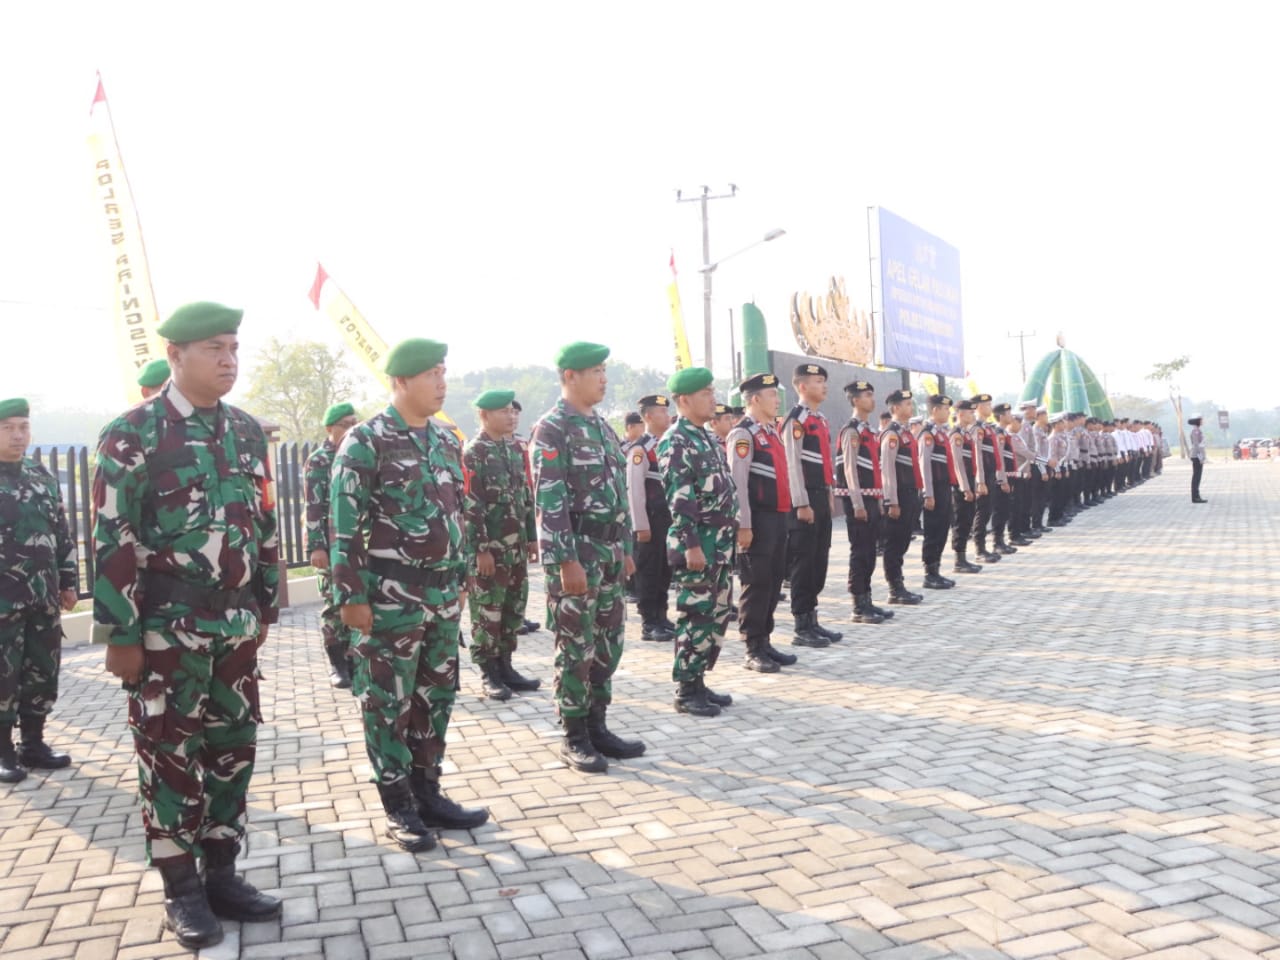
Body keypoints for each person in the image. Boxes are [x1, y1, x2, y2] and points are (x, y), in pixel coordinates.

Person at [94, 302, 281, 948]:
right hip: (165, 629)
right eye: (213, 349)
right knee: (169, 756)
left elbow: (261, 521)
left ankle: (222, 873)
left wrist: (266, 602)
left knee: (232, 752)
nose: (229, 360)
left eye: (233, 347)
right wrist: (119, 634)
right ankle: (181, 890)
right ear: (175, 356)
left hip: (232, 626)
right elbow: (112, 538)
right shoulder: (132, 434)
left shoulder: (247, 433)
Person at [330, 338, 488, 853]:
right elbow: (344, 527)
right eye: (430, 374)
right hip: (388, 598)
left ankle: (428, 790)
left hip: (441, 596)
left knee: (435, 697)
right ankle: (397, 803)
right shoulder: (366, 440)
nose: (442, 382)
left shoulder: (444, 440)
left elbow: (455, 513)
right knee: (386, 703)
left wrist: (462, 574)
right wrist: (350, 596)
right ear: (400, 382)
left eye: (444, 372)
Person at [532, 342, 643, 774]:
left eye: (603, 370)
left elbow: (619, 494)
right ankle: (574, 734)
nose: (603, 377)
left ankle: (598, 726)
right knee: (575, 647)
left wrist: (627, 548)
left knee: (607, 646)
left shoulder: (601, 426)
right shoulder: (552, 428)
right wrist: (564, 561)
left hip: (609, 552)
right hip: (576, 555)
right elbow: (550, 501)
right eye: (594, 370)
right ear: (568, 376)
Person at [0, 399, 78, 784]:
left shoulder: (41, 476)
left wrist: (68, 580)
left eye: (23, 428)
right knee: (3, 677)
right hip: (3, 601)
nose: (18, 436)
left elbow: (61, 533)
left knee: (42, 672)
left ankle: (34, 744)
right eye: (8, 428)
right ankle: (3, 751)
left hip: (42, 597)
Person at [658, 367, 738, 717]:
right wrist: (690, 545)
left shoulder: (706, 437)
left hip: (719, 543)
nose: (713, 398)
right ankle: (686, 688)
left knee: (717, 613)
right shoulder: (675, 440)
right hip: (698, 545)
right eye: (706, 393)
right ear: (684, 400)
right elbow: (679, 499)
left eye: (712, 391)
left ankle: (700, 679)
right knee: (695, 614)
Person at [463, 390, 541, 701]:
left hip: (516, 548)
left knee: (512, 610)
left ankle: (506, 666)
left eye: (512, 411)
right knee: (487, 612)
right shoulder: (474, 452)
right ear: (484, 415)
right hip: (490, 552)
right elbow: (472, 504)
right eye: (503, 412)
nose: (511, 416)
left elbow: (526, 496)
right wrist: (481, 549)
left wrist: (532, 537)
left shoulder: (514, 448)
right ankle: (488, 672)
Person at [726, 373, 800, 669]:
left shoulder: (770, 432)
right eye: (771, 394)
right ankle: (752, 647)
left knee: (772, 583)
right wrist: (743, 524)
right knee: (755, 584)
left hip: (777, 517)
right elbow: (738, 483)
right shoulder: (742, 434)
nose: (777, 399)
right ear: (755, 399)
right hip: (757, 520)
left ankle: (766, 641)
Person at [781, 363, 842, 645]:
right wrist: (801, 503)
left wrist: (828, 494)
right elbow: (792, 465)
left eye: (824, 381)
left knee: (819, 559)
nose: (824, 386)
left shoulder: (820, 419)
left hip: (819, 494)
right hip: (803, 499)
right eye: (818, 381)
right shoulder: (797, 419)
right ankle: (801, 626)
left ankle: (813, 619)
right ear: (802, 386)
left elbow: (825, 462)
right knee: (804, 562)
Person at [304, 402, 360, 690]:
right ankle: (338, 664)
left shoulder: (358, 454)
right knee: (334, 605)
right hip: (330, 545)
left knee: (357, 601)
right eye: (345, 424)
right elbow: (314, 505)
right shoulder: (320, 460)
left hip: (356, 545)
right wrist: (316, 547)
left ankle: (355, 660)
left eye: (354, 422)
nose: (352, 428)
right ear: (330, 428)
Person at [836, 380, 895, 622]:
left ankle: (868, 599)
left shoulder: (869, 431)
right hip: (858, 502)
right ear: (856, 400)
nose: (872, 399)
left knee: (870, 551)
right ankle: (858, 605)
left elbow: (875, 469)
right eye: (867, 395)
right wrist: (858, 503)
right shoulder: (852, 431)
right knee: (860, 551)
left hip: (871, 499)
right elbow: (850, 470)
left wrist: (879, 498)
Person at [626, 395, 675, 642]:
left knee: (665, 570)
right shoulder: (640, 449)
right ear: (647, 417)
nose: (667, 416)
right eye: (661, 412)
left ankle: (662, 615)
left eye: (668, 412)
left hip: (667, 519)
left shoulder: (666, 444)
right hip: (650, 521)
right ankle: (649, 622)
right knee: (649, 571)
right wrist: (640, 525)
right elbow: (635, 491)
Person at [879, 389, 924, 605]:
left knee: (903, 541)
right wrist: (891, 500)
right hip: (899, 496)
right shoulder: (892, 434)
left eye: (911, 403)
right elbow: (887, 469)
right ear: (895, 408)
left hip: (910, 493)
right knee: (895, 543)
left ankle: (899, 585)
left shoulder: (906, 433)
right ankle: (894, 588)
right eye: (906, 404)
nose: (911, 407)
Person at [917, 395, 957, 590]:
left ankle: (936, 570)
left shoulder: (942, 433)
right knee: (933, 531)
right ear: (934, 410)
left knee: (942, 529)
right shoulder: (928, 434)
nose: (948, 412)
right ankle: (929, 573)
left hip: (943, 487)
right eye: (944, 408)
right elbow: (924, 465)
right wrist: (928, 493)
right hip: (934, 488)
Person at [509, 399, 541, 637]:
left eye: (516, 413)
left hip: (522, 512)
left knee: (520, 576)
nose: (513, 418)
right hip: (500, 526)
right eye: (508, 412)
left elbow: (528, 477)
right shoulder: (479, 448)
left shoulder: (520, 443)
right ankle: (511, 619)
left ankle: (519, 614)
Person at [948, 399, 983, 573]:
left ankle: (963, 558)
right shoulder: (956, 434)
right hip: (961, 485)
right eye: (970, 412)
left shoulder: (966, 433)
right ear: (961, 414)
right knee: (961, 521)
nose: (973, 415)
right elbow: (957, 464)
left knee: (967, 518)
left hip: (969, 481)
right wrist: (965, 488)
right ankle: (958, 561)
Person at [1188, 416, 1207, 502]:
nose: (1203, 421)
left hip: (1198, 456)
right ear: (1198, 421)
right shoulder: (1195, 431)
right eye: (1201, 420)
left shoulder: (1198, 430)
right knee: (1196, 477)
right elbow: (1196, 445)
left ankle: (1196, 496)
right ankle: (1195, 497)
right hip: (1196, 456)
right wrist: (1200, 457)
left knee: (1198, 477)